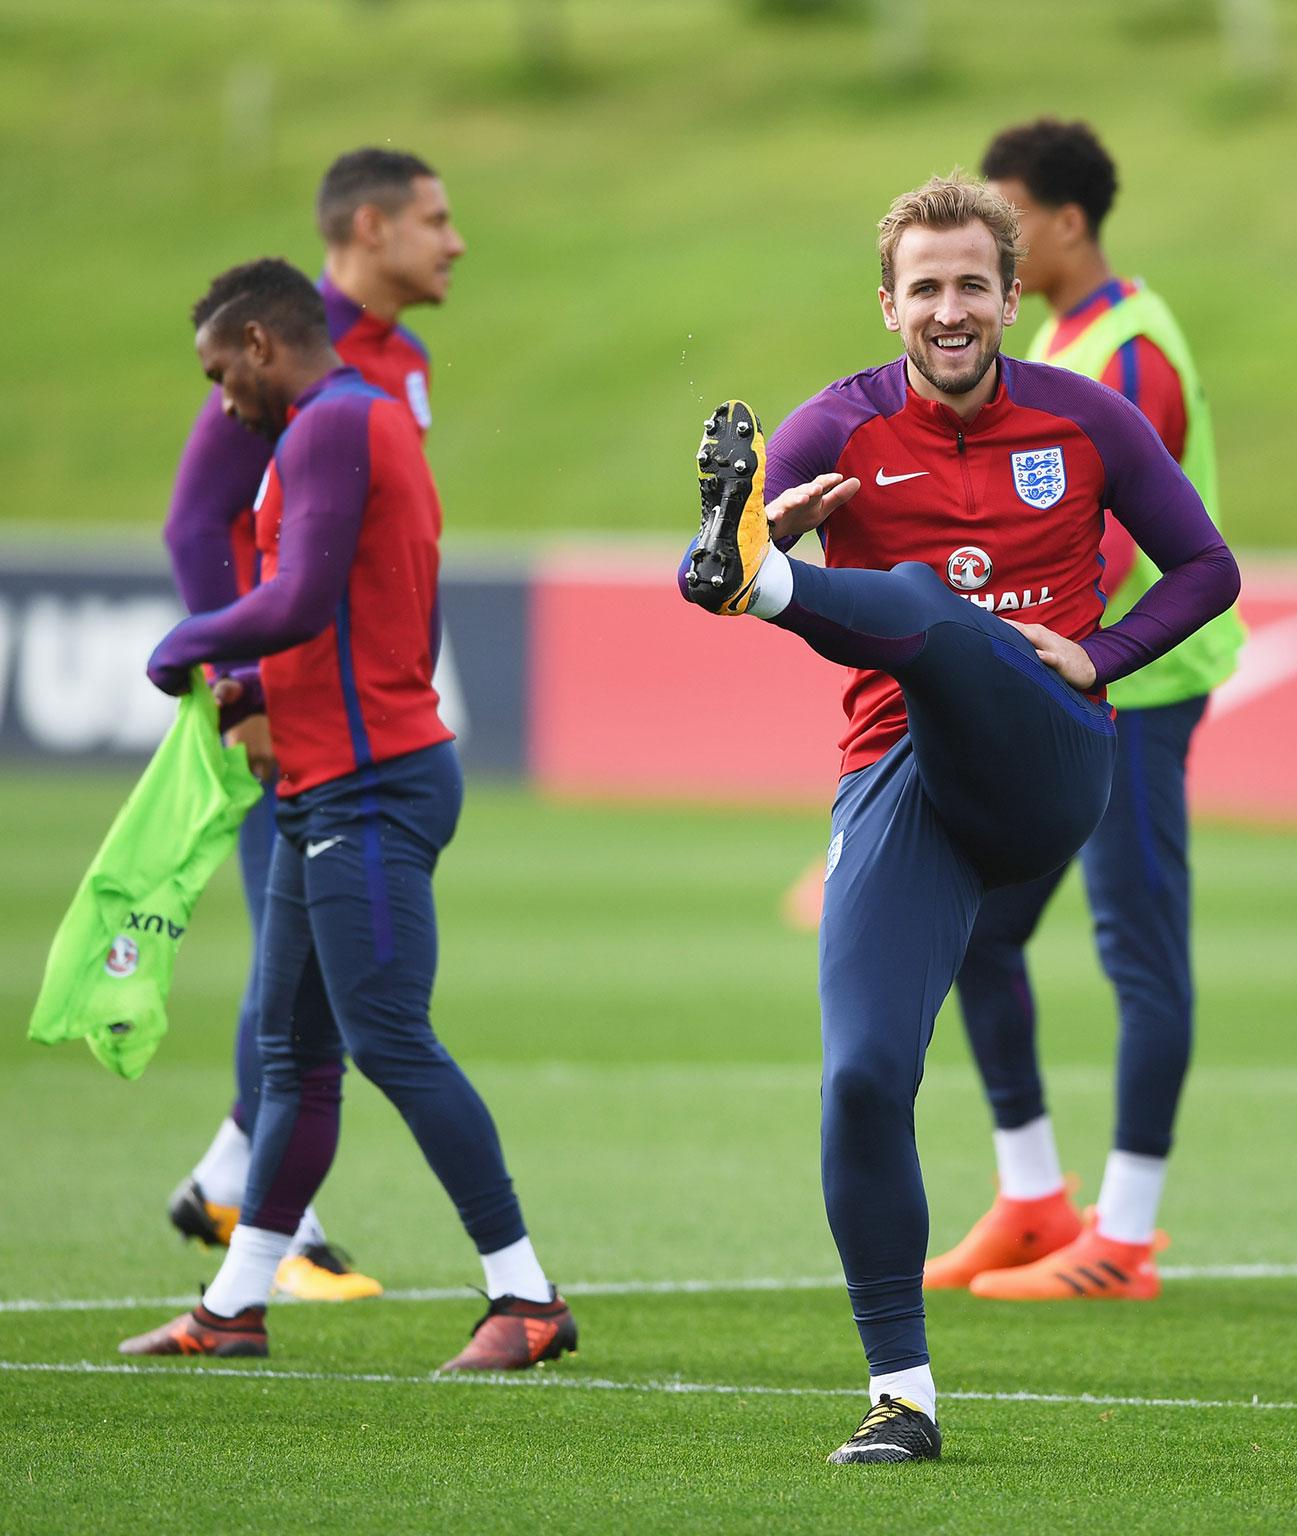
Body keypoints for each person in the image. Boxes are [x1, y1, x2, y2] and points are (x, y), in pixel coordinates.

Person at [678, 175, 1238, 1461]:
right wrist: (766, 529)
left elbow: (1210, 569)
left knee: (925, 603)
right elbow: (689, 572)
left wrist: (1100, 654)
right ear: (888, 306)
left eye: (970, 285)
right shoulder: (834, 425)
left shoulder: (1084, 416)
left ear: (1007, 294)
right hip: (897, 780)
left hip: (1047, 761)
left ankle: (784, 592)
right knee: (863, 1075)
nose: (948, 309)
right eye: (922, 289)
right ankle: (903, 1398)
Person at [120, 258, 573, 1371]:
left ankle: (524, 1297)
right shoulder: (359, 424)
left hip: (369, 790)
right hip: (332, 774)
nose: (223, 398)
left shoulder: (328, 426)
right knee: (293, 1056)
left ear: (265, 346)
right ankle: (234, 1305)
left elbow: (301, 598)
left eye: (223, 371)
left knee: (387, 1042)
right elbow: (368, 611)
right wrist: (265, 691)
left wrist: (186, 645)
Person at [913, 120, 1245, 1303]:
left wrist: (1056, 658)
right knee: (979, 932)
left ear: (1062, 222)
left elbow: (1109, 541)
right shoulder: (1057, 335)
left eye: (1005, 214)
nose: (988, 245)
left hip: (1134, 689)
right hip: (1049, 688)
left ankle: (1130, 1236)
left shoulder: (1130, 350)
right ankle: (1030, 1199)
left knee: (1137, 948)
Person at [160, 146, 464, 1302]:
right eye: (436, 219)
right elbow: (198, 527)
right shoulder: (276, 347)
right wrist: (239, 683)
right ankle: (261, 1215)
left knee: (316, 971)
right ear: (371, 229)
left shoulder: (400, 364)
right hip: (292, 710)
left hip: (370, 707)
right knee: (303, 971)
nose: (456, 239)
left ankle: (237, 1185)